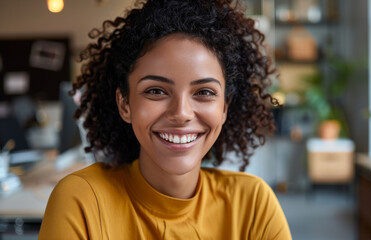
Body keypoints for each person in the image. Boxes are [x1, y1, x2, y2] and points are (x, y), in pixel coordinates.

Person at [38, 0, 292, 239]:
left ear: (224, 108)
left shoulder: (253, 205)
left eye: (204, 92)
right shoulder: (81, 202)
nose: (181, 113)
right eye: (156, 91)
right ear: (125, 104)